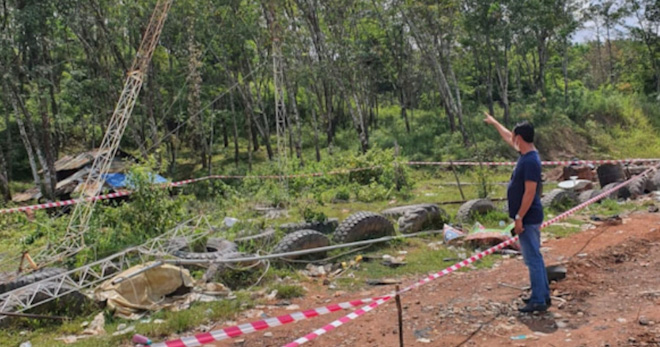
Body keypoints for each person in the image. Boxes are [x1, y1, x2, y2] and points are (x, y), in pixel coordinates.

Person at [484, 112, 550, 313]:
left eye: (514, 137)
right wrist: (495, 123)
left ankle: (539, 300)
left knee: (533, 259)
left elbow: (530, 193)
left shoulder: (530, 161)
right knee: (533, 258)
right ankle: (542, 295)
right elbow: (506, 135)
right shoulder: (526, 153)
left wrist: (519, 217)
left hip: (528, 217)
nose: (511, 139)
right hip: (527, 216)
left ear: (519, 138)